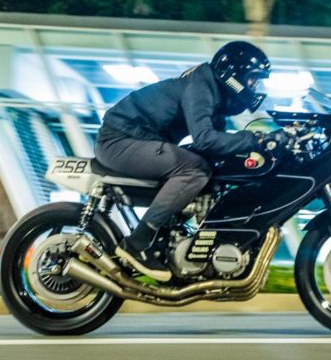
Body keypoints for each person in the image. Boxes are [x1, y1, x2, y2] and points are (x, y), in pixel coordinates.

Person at [94, 41, 272, 281]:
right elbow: (205, 139)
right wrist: (255, 140)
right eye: (252, 79)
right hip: (119, 141)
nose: (254, 86)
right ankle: (137, 243)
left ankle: (177, 237)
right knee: (194, 170)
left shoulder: (213, 93)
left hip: (139, 141)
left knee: (211, 169)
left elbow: (218, 145)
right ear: (233, 75)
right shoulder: (201, 87)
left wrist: (257, 147)